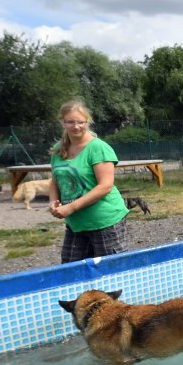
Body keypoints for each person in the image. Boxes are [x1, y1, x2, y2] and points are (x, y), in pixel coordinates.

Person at [48, 100, 130, 263]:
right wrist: (53, 202)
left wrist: (70, 207)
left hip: (104, 220)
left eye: (80, 122)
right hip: (76, 222)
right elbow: (55, 180)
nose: (76, 126)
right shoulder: (59, 149)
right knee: (71, 271)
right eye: (70, 122)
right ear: (63, 123)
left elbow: (105, 186)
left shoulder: (98, 148)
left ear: (88, 122)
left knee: (110, 275)